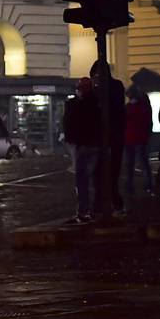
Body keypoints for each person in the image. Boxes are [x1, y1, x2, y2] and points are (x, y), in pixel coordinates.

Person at [62, 77, 102, 224]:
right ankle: (94, 209)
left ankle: (84, 210)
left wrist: (70, 138)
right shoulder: (97, 103)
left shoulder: (76, 104)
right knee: (93, 178)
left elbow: (70, 123)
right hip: (95, 144)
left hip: (83, 144)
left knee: (82, 179)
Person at [91, 60, 126, 215]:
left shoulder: (114, 87)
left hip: (112, 135)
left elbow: (118, 110)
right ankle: (105, 199)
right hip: (102, 137)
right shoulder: (97, 89)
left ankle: (111, 198)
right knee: (99, 171)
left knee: (111, 170)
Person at [122, 88, 155, 198]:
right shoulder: (144, 107)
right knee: (144, 163)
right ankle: (148, 184)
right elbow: (148, 123)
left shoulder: (127, 108)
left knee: (130, 164)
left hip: (129, 138)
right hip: (141, 138)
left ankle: (129, 185)